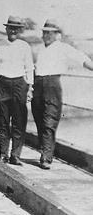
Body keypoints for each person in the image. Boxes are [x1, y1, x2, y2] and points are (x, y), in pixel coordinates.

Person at [31, 19, 93, 169]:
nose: (46, 35)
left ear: (57, 35)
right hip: (37, 85)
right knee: (39, 119)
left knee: (49, 121)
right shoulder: (39, 49)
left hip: (52, 85)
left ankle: (46, 157)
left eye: (50, 33)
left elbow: (82, 59)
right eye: (44, 32)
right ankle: (45, 150)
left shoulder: (63, 47)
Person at [0, 16, 34, 166]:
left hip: (19, 84)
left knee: (19, 121)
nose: (13, 30)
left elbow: (29, 68)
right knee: (2, 121)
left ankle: (15, 155)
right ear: (6, 29)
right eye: (10, 27)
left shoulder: (25, 46)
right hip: (2, 83)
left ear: (19, 30)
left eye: (16, 28)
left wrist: (30, 88)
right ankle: (3, 154)